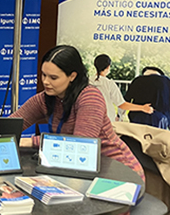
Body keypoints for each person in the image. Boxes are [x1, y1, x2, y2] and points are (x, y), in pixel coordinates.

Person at [10, 45, 145, 182]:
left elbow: (80, 145)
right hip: (80, 172)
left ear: (72, 76)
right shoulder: (44, 99)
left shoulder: (90, 97)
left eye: (53, 77)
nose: (45, 81)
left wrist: (30, 141)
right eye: (43, 75)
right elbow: (10, 126)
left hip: (119, 172)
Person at [90, 54, 154, 122]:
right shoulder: (109, 84)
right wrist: (143, 108)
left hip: (89, 118)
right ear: (108, 67)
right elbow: (121, 104)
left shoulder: (87, 81)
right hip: (106, 120)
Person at [124, 66, 170, 130]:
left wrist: (119, 116)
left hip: (137, 118)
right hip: (160, 119)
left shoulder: (137, 80)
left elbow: (124, 102)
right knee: (158, 139)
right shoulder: (166, 81)